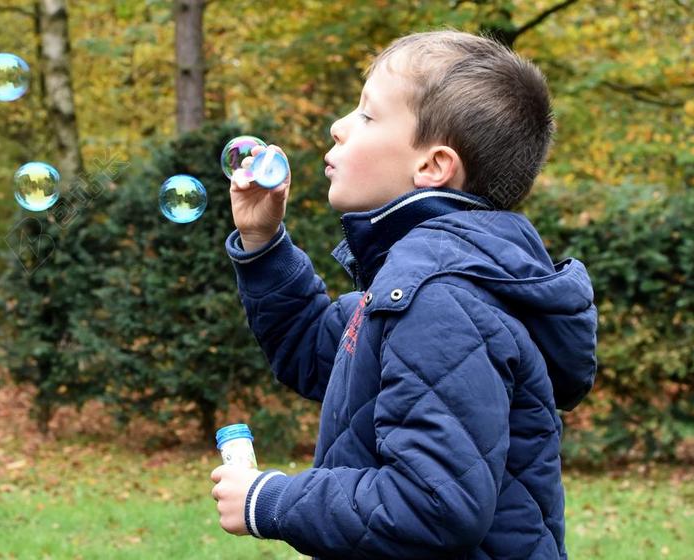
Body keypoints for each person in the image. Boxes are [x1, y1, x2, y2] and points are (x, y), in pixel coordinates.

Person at [210, 29, 597, 560]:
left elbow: (432, 504)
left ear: (432, 167)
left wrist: (269, 500)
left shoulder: (441, 299)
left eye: (368, 115)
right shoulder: (418, 283)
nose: (338, 126)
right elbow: (310, 346)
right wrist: (263, 243)